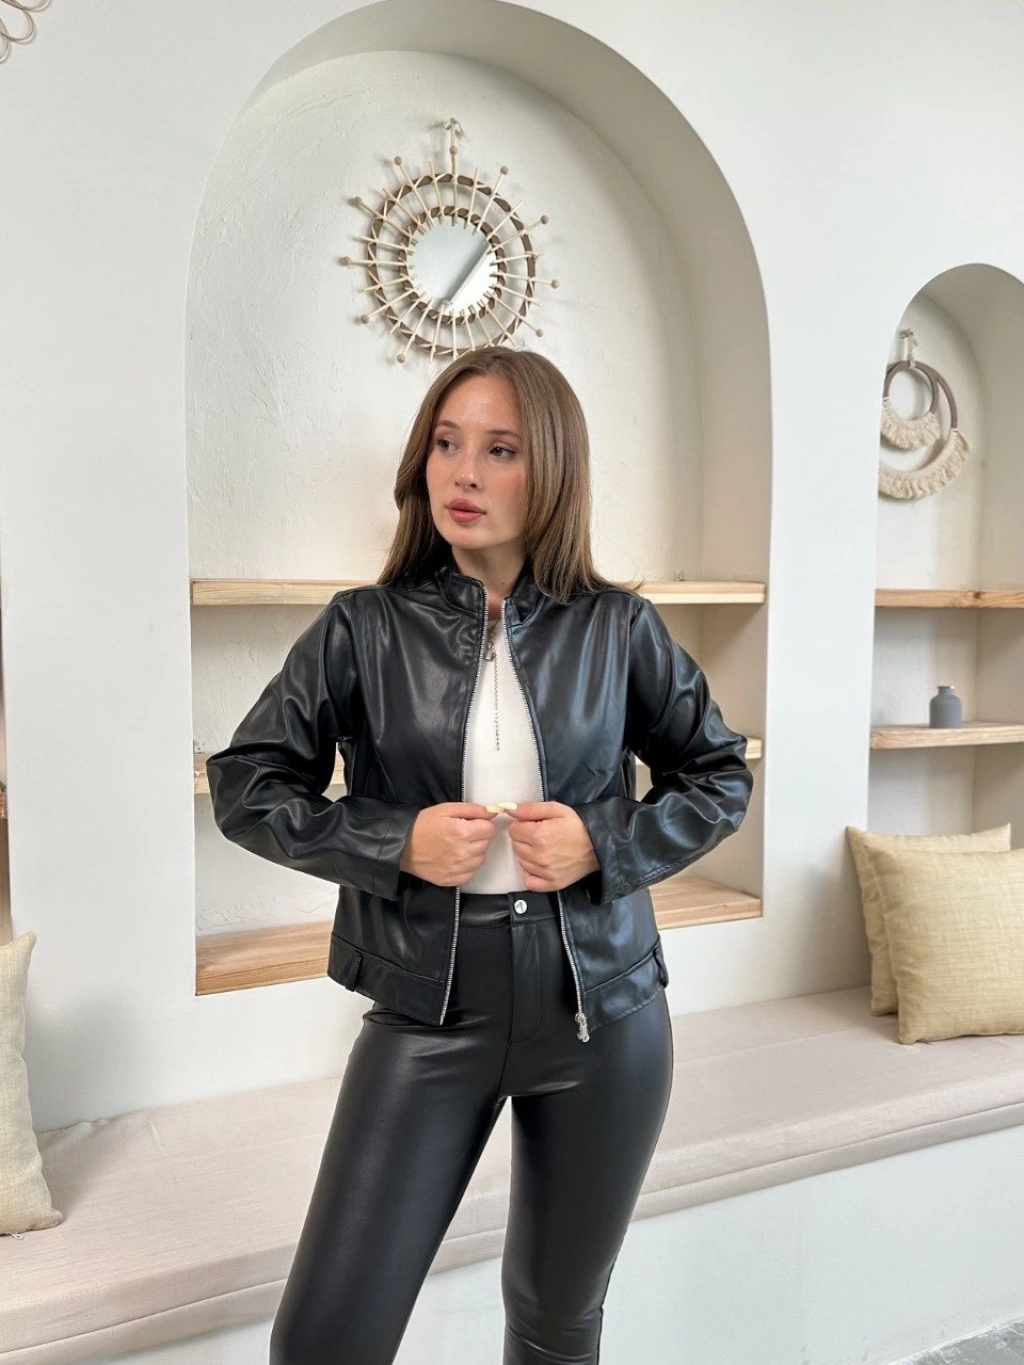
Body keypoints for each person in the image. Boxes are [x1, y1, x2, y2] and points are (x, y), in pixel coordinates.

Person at [206, 345, 753, 1365]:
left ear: (551, 467)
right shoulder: (362, 627)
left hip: (603, 1013)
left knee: (555, 1322)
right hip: (429, 1012)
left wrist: (604, 841)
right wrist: (393, 841)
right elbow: (249, 783)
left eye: (500, 449)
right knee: (324, 1340)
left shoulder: (618, 628)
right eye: (446, 444)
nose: (463, 474)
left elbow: (719, 775)